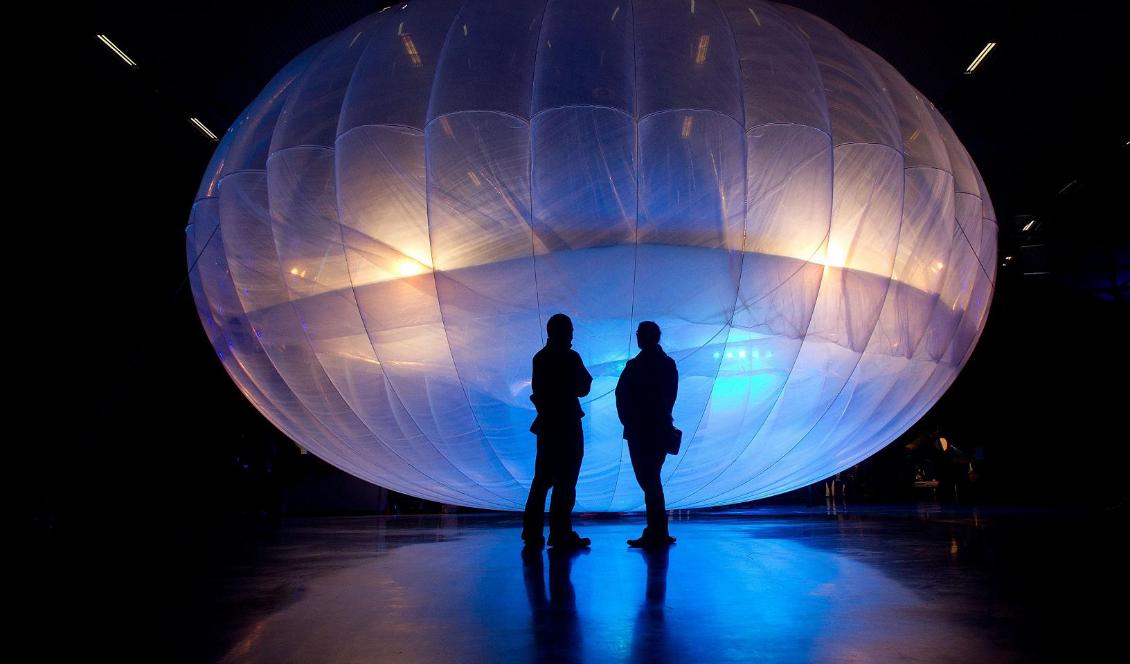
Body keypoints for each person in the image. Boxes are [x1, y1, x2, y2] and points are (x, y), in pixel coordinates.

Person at [522, 313, 593, 549]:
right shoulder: (571, 357)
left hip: (547, 425)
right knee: (566, 481)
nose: (572, 334)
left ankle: (532, 533)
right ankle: (560, 532)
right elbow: (584, 387)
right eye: (570, 330)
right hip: (568, 425)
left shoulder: (540, 358)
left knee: (541, 480)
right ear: (564, 332)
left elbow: (539, 391)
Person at [616, 321, 679, 548]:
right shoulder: (667, 364)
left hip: (640, 430)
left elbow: (621, 395)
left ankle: (656, 531)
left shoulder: (634, 366)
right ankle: (657, 530)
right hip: (659, 428)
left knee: (648, 479)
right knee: (652, 478)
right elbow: (671, 396)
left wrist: (629, 420)